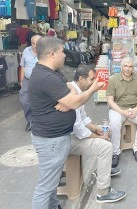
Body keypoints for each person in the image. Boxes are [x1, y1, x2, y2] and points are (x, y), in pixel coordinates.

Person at [28, 36, 108, 209]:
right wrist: (92, 90)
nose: (65, 55)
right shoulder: (46, 77)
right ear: (52, 54)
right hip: (51, 141)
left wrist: (69, 100)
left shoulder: (50, 73)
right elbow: (74, 102)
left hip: (55, 138)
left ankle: (53, 206)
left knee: (51, 182)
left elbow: (69, 95)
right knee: (45, 186)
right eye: (62, 52)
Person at [69, 66, 126, 203]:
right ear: (81, 79)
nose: (93, 83)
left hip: (74, 133)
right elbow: (79, 130)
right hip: (68, 139)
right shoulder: (73, 93)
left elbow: (83, 117)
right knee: (105, 146)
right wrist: (98, 136)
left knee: (106, 129)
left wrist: (96, 129)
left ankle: (103, 171)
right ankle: (103, 192)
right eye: (91, 79)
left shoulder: (77, 90)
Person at [107, 57, 137, 165]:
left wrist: (136, 109)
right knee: (115, 122)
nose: (127, 69)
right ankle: (115, 152)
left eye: (130, 66)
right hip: (118, 108)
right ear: (121, 67)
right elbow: (110, 101)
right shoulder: (113, 79)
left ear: (133, 68)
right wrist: (122, 112)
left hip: (134, 107)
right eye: (125, 66)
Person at [19, 34, 41, 132]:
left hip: (40, 80)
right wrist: (21, 80)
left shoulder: (45, 52)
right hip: (27, 80)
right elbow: (22, 66)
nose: (35, 46)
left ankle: (40, 121)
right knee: (24, 100)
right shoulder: (26, 51)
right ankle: (30, 120)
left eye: (37, 43)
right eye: (33, 43)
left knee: (40, 100)